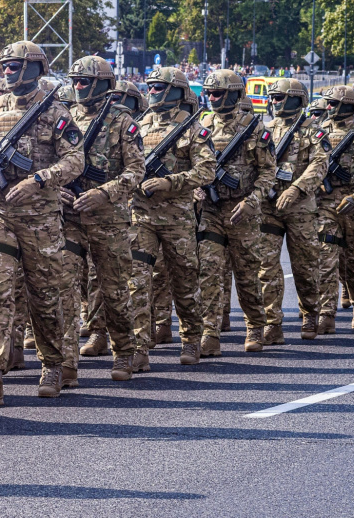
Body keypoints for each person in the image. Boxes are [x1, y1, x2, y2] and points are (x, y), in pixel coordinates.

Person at [0, 40, 83, 403]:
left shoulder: (55, 113)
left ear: (34, 68)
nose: (7, 71)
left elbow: (76, 161)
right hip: (0, 215)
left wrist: (40, 179)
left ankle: (53, 366)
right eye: (5, 65)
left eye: (15, 65)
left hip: (41, 219)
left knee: (44, 296)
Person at [63, 56, 144, 382]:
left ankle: (124, 352)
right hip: (70, 216)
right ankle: (63, 364)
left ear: (102, 85)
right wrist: (59, 191)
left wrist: (105, 192)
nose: (78, 86)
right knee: (64, 290)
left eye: (84, 81)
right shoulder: (64, 119)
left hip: (109, 218)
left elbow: (136, 170)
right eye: (75, 81)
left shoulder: (123, 122)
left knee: (114, 290)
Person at [129, 67, 215, 370]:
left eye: (158, 87)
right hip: (141, 215)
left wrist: (170, 182)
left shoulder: (193, 128)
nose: (151, 91)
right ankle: (138, 346)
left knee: (185, 280)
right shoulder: (139, 126)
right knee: (138, 281)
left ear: (176, 91)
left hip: (177, 218)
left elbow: (207, 171)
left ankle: (191, 338)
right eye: (150, 86)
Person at [198, 69, 276, 355]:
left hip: (243, 212)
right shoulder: (202, 125)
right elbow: (192, 167)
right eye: (209, 93)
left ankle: (255, 325)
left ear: (233, 93)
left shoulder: (254, 128)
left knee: (246, 274)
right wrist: (196, 187)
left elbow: (269, 172)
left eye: (217, 92)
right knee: (208, 271)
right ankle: (210, 332)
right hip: (211, 209)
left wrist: (252, 202)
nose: (212, 97)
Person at [257, 78, 328, 344]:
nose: (274, 102)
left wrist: (296, 190)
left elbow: (320, 165)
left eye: (279, 97)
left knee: (305, 264)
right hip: (269, 207)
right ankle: (272, 322)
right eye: (272, 98)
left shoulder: (313, 131)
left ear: (297, 99)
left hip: (300, 208)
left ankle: (310, 313)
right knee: (267, 266)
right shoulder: (265, 129)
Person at [316, 86, 354, 333]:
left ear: (347, 105)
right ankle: (327, 312)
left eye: (333, 103)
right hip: (326, 204)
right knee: (326, 258)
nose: (328, 108)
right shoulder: (319, 134)